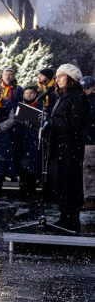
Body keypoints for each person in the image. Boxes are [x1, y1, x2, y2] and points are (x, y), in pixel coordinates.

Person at [46, 64, 89, 232]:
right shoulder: (64, 96)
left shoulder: (78, 96)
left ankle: (71, 219)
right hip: (61, 146)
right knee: (62, 182)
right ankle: (64, 217)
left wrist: (52, 122)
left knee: (70, 182)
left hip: (71, 147)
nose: (57, 80)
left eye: (61, 76)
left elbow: (76, 123)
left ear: (70, 78)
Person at [82, 76, 95, 211]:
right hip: (86, 138)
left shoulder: (91, 101)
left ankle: (91, 198)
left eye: (87, 87)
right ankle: (89, 197)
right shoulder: (83, 99)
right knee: (88, 169)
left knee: (89, 169)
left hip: (90, 138)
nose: (85, 90)